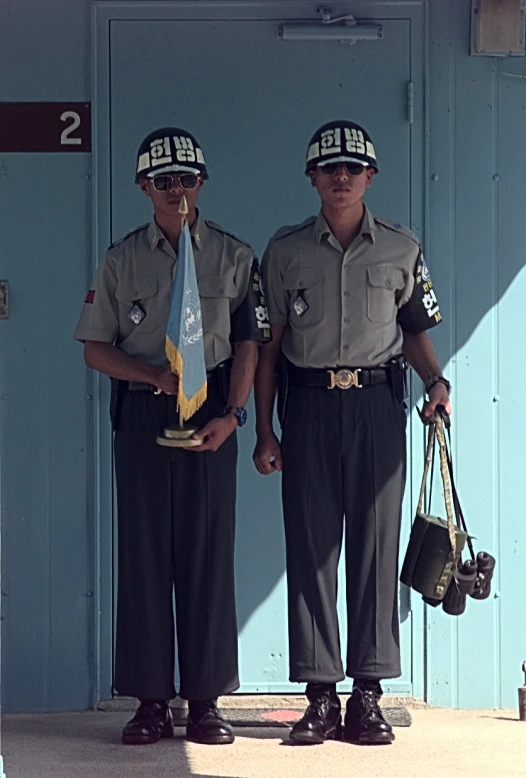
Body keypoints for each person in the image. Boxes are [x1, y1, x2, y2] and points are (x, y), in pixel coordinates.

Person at [253, 120, 452, 746]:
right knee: (311, 551)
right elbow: (269, 347)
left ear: (370, 176)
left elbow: (415, 329)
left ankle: (367, 695)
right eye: (329, 168)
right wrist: (264, 429)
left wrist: (437, 384)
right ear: (312, 177)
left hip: (376, 408)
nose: (341, 178)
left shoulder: (401, 246)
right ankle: (319, 695)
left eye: (352, 168)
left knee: (374, 548)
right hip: (308, 408)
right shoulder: (284, 252)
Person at [74, 126, 270, 746]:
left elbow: (249, 344)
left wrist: (233, 415)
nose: (176, 191)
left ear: (201, 183)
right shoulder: (120, 259)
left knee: (208, 553)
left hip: (212, 409)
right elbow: (96, 349)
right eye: (163, 181)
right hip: (146, 410)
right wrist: (151, 375)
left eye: (186, 179)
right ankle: (151, 701)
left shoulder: (235, 257)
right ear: (143, 187)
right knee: (146, 554)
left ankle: (206, 699)